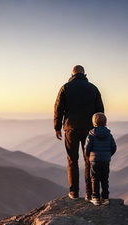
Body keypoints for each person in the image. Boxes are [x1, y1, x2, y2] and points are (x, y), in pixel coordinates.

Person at [54, 65, 104, 200]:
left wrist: (57, 126)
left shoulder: (65, 87)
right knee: (89, 160)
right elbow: (100, 110)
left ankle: (74, 192)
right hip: (90, 129)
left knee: (72, 160)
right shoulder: (93, 88)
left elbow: (58, 108)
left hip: (71, 129)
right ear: (84, 74)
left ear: (72, 74)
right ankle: (89, 193)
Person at [84, 112, 117, 206]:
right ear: (105, 122)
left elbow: (87, 148)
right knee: (104, 179)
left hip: (94, 160)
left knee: (95, 179)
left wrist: (88, 156)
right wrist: (108, 155)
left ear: (94, 123)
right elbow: (114, 147)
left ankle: (96, 198)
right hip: (105, 160)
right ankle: (105, 198)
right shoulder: (109, 135)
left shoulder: (91, 134)